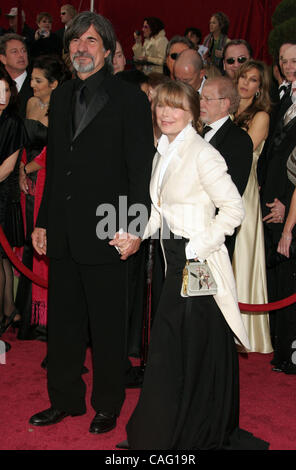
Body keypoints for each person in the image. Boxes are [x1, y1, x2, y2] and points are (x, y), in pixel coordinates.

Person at [118, 80, 269, 450]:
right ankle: (170, 432)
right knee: (181, 348)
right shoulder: (164, 150)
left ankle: (184, 434)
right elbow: (160, 210)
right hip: (175, 263)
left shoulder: (203, 153)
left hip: (196, 263)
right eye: (162, 107)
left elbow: (233, 209)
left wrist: (196, 246)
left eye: (177, 108)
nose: (167, 114)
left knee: (178, 347)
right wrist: (136, 235)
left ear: (191, 114)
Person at [28, 11, 154, 433]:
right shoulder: (61, 97)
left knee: (106, 326)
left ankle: (107, 404)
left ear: (107, 48)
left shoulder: (130, 99)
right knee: (63, 325)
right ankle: (64, 400)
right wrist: (44, 222)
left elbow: (140, 170)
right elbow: (57, 164)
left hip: (109, 228)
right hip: (63, 229)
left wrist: (134, 227)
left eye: (90, 41)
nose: (81, 48)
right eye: (75, 42)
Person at [16, 55, 71, 341]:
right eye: (32, 79)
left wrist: (29, 169)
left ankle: (48, 319)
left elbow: (55, 153)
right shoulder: (31, 104)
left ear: (54, 84)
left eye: (38, 81)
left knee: (45, 242)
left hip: (49, 180)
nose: (33, 85)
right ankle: (28, 314)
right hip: (27, 177)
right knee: (28, 242)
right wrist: (21, 172)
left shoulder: (64, 108)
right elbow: (23, 140)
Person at [261, 44, 296, 374]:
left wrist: (289, 209)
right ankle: (281, 346)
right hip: (274, 203)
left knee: (292, 280)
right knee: (278, 277)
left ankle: (293, 352)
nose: (290, 67)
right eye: (285, 61)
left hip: (292, 209)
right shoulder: (282, 99)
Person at [232, 60, 273, 353]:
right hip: (217, 186)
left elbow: (242, 150)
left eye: (253, 80)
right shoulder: (226, 108)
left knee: (243, 254)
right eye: (243, 77)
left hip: (244, 189)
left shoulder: (260, 116)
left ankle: (243, 331)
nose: (246, 83)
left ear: (260, 88)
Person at [199, 76, 253, 260]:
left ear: (225, 104)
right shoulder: (195, 133)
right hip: (188, 228)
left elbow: (233, 191)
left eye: (207, 99)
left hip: (216, 235)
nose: (201, 103)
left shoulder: (239, 140)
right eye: (201, 97)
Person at [0, 66, 27, 339]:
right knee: (3, 260)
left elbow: (7, 168)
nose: (3, 95)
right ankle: (10, 311)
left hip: (3, 196)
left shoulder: (13, 123)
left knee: (1, 259)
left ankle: (5, 314)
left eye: (7, 90)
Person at [0, 33, 33, 118]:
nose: (21, 55)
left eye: (23, 51)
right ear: (3, 59)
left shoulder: (36, 85)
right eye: (14, 51)